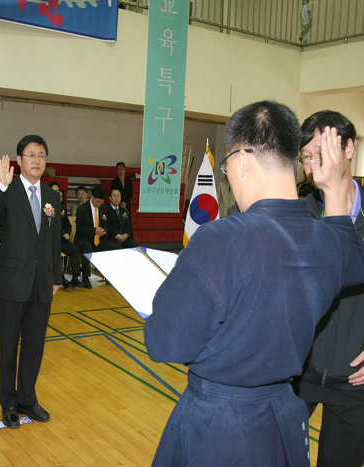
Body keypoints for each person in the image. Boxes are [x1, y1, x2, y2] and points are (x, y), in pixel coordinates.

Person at [143, 101, 364, 466]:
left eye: (227, 164)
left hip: (221, 426)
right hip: (283, 418)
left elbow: (165, 342)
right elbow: (352, 254)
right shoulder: (326, 241)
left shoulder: (221, 239)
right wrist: (337, 190)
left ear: (242, 160)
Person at [291, 110, 364, 467]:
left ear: (349, 148)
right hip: (294, 375)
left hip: (356, 385)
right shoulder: (295, 218)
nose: (315, 164)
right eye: (308, 156)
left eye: (323, 152)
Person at [0, 135, 61, 428]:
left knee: (34, 346)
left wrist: (55, 277)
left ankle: (28, 399)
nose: (37, 160)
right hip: (11, 283)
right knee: (8, 347)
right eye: (31, 155)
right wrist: (1, 186)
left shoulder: (52, 197)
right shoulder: (8, 190)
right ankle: (9, 403)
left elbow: (53, 239)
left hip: (41, 285)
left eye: (41, 155)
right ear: (19, 161)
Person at [74, 185, 120, 289]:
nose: (99, 204)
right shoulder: (82, 209)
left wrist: (104, 230)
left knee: (113, 247)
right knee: (87, 247)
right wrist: (94, 230)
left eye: (101, 202)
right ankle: (85, 278)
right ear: (92, 197)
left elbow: (106, 223)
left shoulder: (103, 208)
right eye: (97, 201)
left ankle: (109, 276)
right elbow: (80, 228)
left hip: (99, 238)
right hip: (84, 239)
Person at [48, 182, 83, 288]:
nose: (56, 193)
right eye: (54, 191)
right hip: (49, 241)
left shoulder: (62, 208)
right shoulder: (46, 207)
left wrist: (67, 232)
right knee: (55, 251)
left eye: (58, 191)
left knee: (75, 249)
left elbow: (68, 224)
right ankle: (61, 278)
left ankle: (75, 277)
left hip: (61, 240)